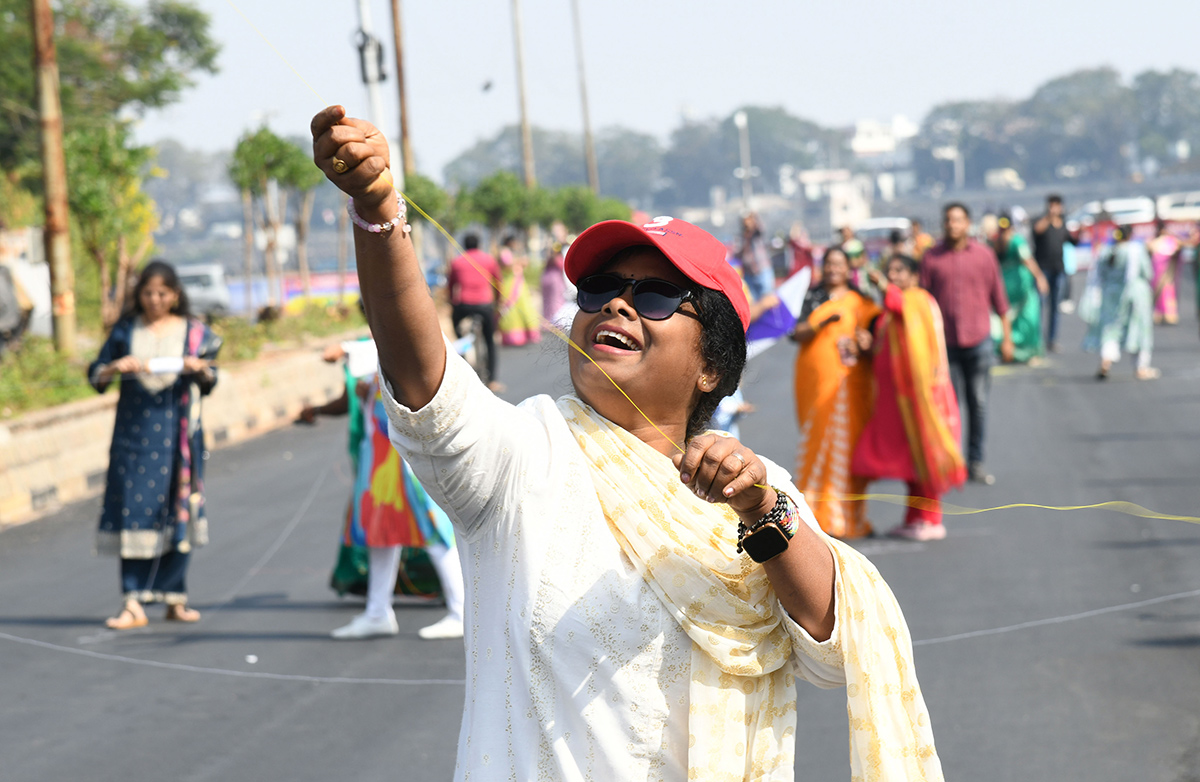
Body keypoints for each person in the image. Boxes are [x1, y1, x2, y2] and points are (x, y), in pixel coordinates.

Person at [312, 106, 941, 781]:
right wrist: (378, 215)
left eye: (659, 297)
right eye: (602, 288)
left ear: (712, 366)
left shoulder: (759, 493)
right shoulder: (524, 453)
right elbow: (423, 378)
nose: (616, 305)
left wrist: (760, 510)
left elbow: (833, 642)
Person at [300, 338, 465, 640]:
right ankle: (377, 612)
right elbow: (357, 390)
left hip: (405, 455)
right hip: (378, 456)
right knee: (380, 532)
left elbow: (409, 349)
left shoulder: (387, 338)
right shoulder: (373, 343)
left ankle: (462, 611)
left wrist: (348, 349)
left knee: (432, 527)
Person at [87, 260, 222, 629]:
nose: (155, 300)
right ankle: (132, 600)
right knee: (133, 510)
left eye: (162, 293)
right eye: (147, 293)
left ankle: (174, 596)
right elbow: (95, 374)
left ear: (175, 295)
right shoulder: (126, 330)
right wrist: (117, 367)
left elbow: (212, 379)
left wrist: (198, 369)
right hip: (134, 438)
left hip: (179, 438)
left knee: (178, 508)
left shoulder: (196, 334)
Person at [853, 258, 965, 541]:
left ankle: (930, 518)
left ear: (914, 276)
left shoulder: (917, 300)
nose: (893, 276)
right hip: (899, 400)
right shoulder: (890, 311)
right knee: (912, 461)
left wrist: (882, 283)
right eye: (890, 271)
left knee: (925, 457)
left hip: (921, 396)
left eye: (899, 271)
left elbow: (899, 304)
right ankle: (914, 518)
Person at [789, 246, 880, 539]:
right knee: (816, 442)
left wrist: (865, 343)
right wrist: (822, 322)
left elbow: (876, 340)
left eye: (839, 264)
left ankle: (848, 518)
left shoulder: (862, 302)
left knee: (849, 448)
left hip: (850, 385)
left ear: (848, 268)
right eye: (829, 264)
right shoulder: (814, 298)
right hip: (816, 383)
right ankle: (815, 519)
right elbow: (796, 333)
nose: (833, 269)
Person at [920, 203, 1011, 486]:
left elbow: (1000, 300)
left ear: (968, 223)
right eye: (948, 220)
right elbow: (921, 304)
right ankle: (952, 462)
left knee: (979, 403)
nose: (952, 225)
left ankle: (976, 461)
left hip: (979, 341)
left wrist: (1006, 338)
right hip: (944, 346)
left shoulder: (984, 256)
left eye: (958, 220)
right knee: (949, 406)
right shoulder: (932, 258)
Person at [1080, 225, 1160, 380]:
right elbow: (1147, 273)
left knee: (1111, 328)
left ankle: (1106, 360)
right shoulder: (1136, 251)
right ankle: (1141, 367)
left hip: (1111, 295)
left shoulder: (1106, 251)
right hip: (1135, 295)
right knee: (1140, 329)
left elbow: (1099, 275)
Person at [447, 233, 502, 392]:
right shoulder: (488, 259)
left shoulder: (457, 262)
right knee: (490, 341)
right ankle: (492, 380)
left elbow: (451, 286)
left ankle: (463, 374)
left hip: (463, 305)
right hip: (484, 305)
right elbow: (497, 282)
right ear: (479, 244)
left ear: (464, 245)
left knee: (458, 337)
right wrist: (497, 301)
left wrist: (452, 302)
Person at [992, 213, 1048, 364]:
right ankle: (1015, 351)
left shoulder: (1005, 242)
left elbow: (1027, 260)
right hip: (1012, 287)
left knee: (1021, 319)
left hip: (1015, 286)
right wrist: (1040, 277)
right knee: (1025, 319)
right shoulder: (1013, 241)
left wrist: (1039, 277)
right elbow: (1028, 260)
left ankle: (1019, 351)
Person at [1031, 195, 1075, 352]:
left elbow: (1072, 241)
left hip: (1058, 269)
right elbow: (1037, 231)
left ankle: (1052, 339)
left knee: (1054, 307)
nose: (1054, 208)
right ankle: (1037, 340)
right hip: (1043, 270)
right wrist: (1049, 218)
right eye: (1052, 205)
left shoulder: (1062, 224)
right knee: (1039, 306)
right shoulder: (1041, 221)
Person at [497, 234, 542, 346]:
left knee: (525, 308)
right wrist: (518, 262)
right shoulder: (504, 252)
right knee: (511, 311)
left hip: (519, 284)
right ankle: (512, 336)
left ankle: (527, 334)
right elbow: (506, 264)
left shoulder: (513, 253)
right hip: (510, 285)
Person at [1147, 219, 1182, 325]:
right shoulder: (1155, 241)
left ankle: (1168, 314)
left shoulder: (1169, 240)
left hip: (1167, 273)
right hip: (1158, 273)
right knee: (1160, 293)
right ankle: (1159, 314)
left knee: (1167, 293)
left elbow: (1178, 249)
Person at [738, 212, 775, 301]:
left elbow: (761, 227)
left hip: (762, 270)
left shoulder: (757, 234)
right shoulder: (743, 236)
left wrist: (753, 215)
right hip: (749, 273)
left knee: (767, 298)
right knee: (753, 300)